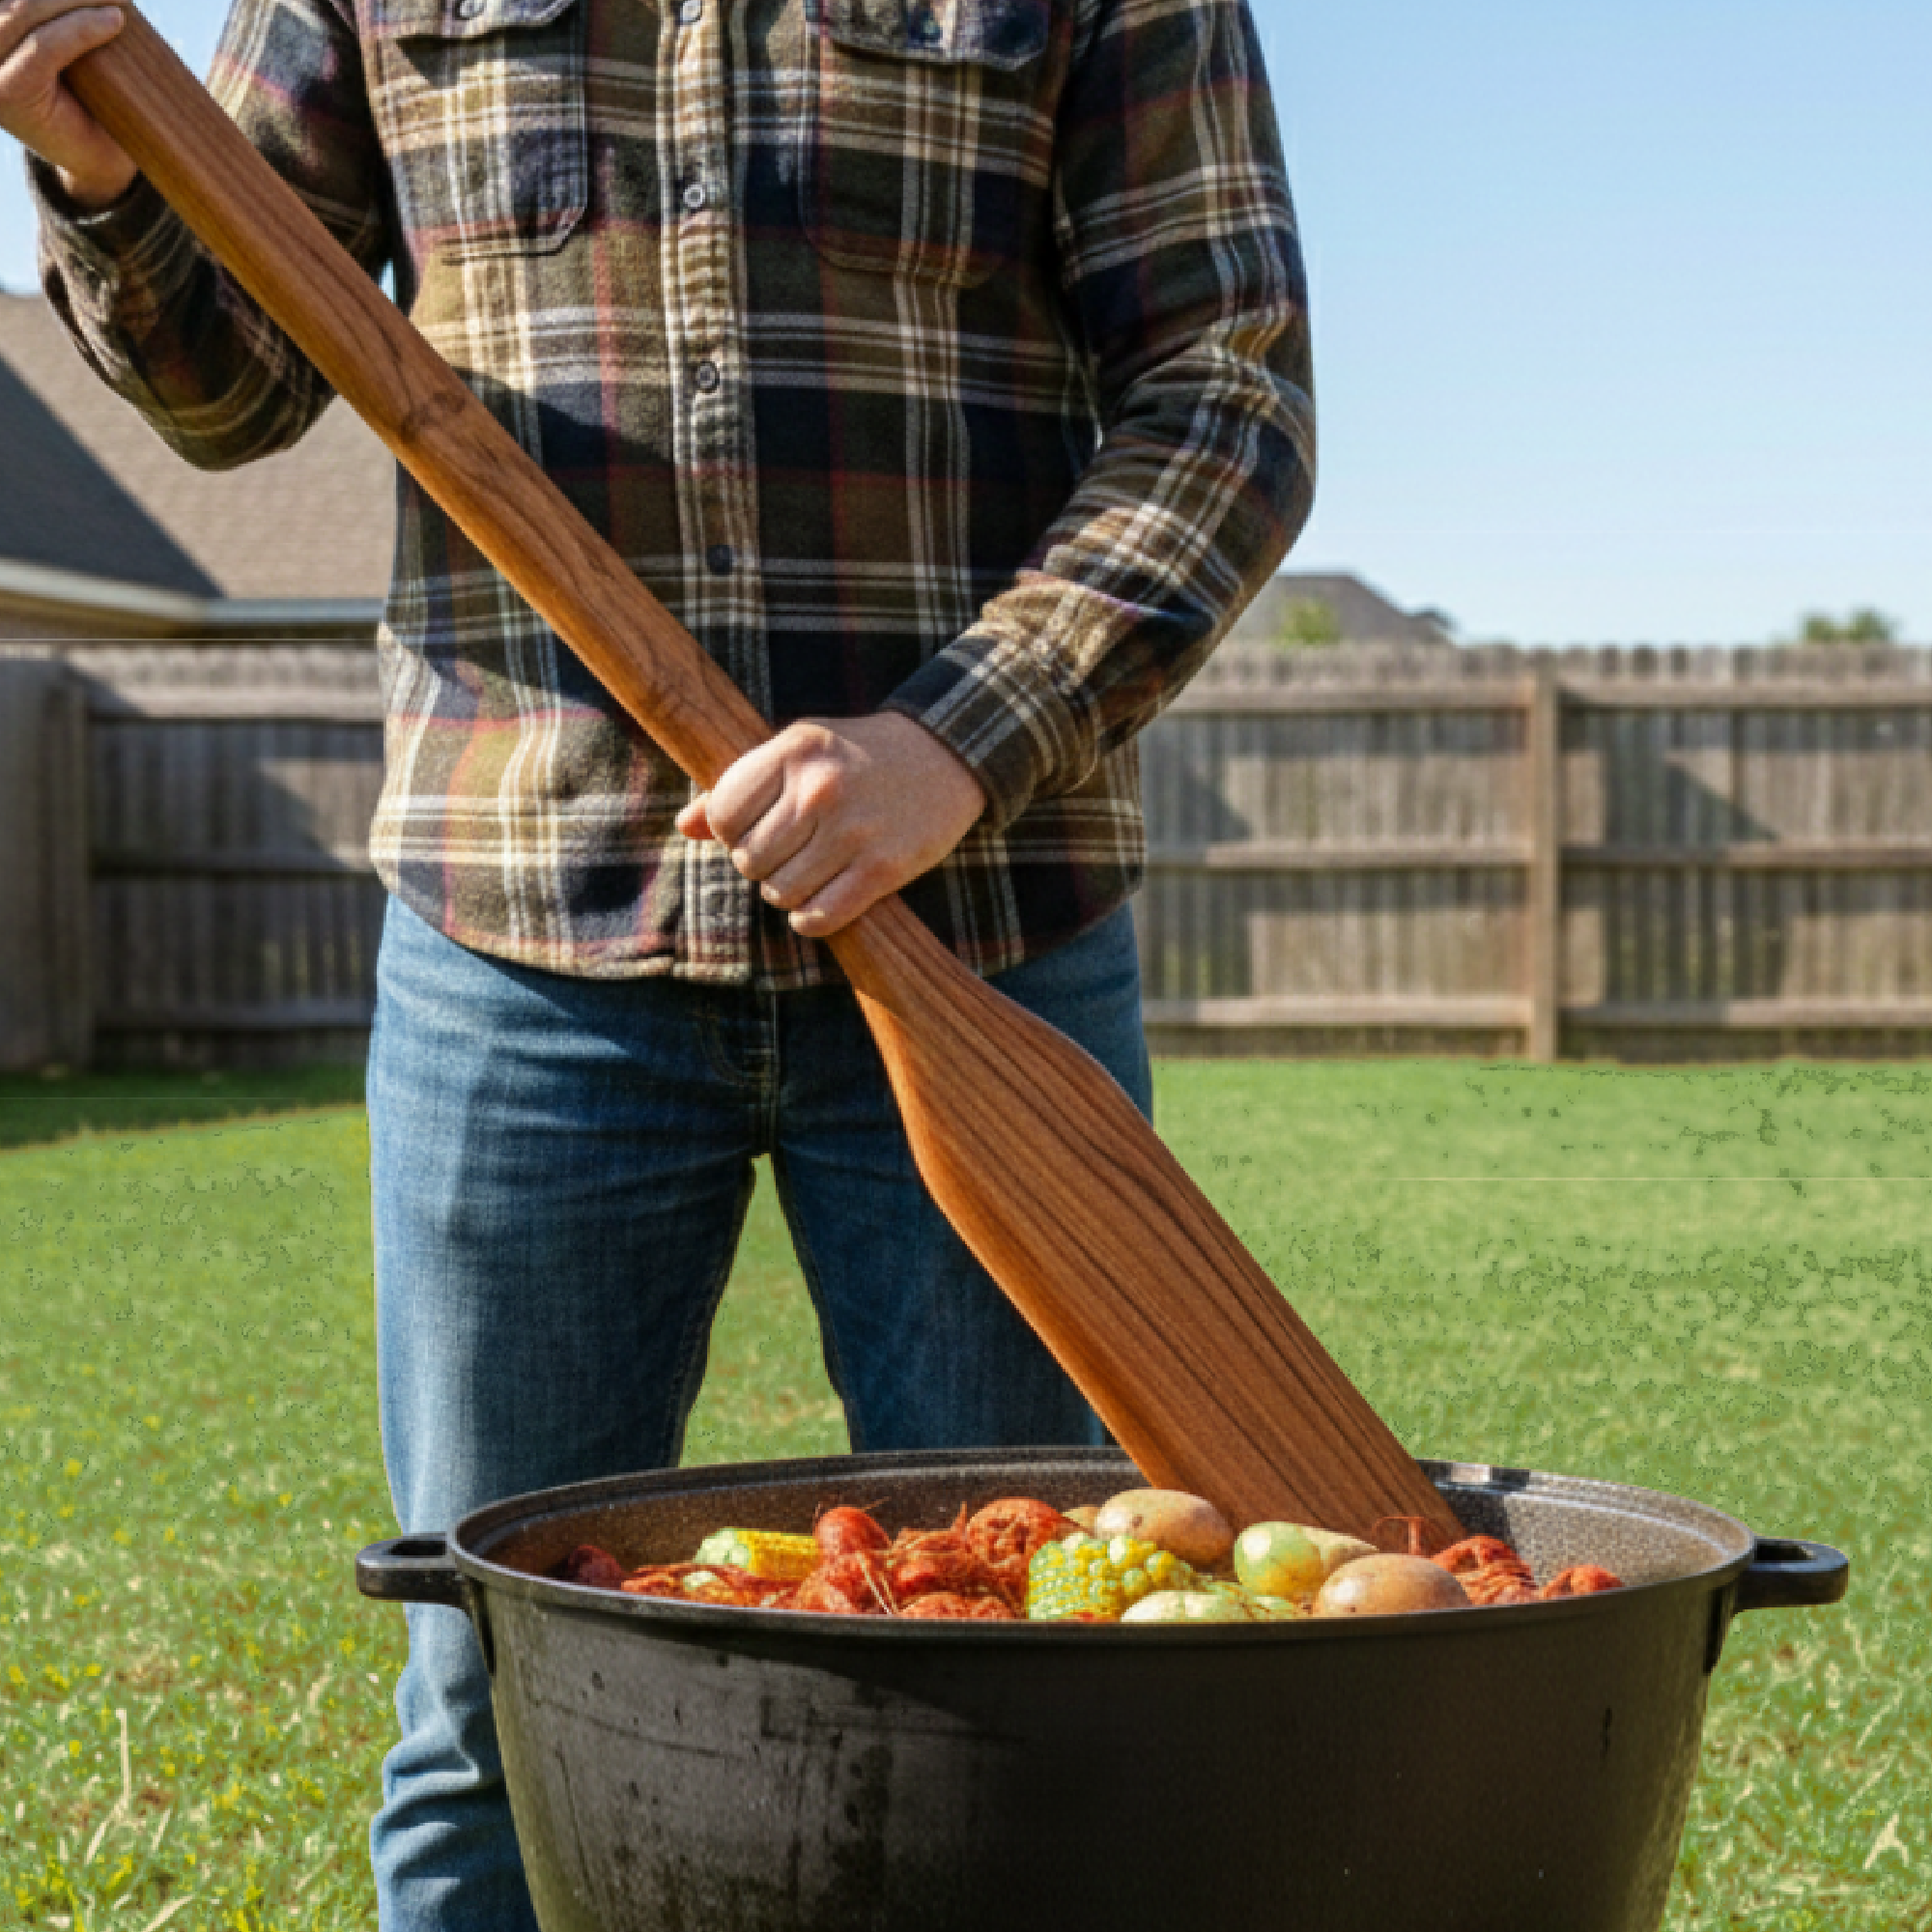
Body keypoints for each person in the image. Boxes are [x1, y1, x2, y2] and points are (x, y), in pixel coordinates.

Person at [3, 0, 1313, 1920]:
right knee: (489, 1691)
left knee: (1050, 1660)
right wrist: (106, 174)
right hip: (522, 938)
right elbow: (241, 388)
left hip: (986, 933)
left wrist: (961, 736)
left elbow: (1229, 381)